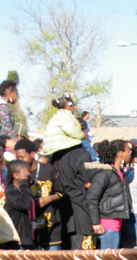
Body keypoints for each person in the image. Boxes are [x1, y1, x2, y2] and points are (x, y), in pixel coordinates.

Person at [44, 94, 93, 249]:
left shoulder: (54, 159)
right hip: (82, 217)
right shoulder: (82, 155)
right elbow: (88, 184)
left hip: (63, 218)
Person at [85, 139, 131, 250]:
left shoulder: (120, 173)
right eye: (128, 151)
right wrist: (96, 223)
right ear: (120, 153)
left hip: (116, 224)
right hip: (107, 226)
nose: (130, 153)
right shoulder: (106, 173)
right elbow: (92, 197)